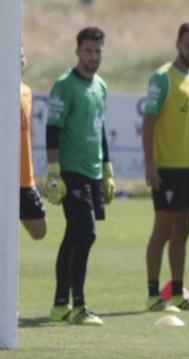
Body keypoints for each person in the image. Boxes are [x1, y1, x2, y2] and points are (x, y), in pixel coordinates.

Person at [142, 22, 189, 313]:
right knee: (162, 231)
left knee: (183, 231)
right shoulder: (162, 79)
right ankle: (151, 294)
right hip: (168, 168)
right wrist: (150, 164)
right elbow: (148, 123)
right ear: (177, 44)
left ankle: (176, 291)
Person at [44, 27, 114, 326]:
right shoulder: (65, 85)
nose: (93, 57)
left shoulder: (101, 86)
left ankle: (60, 304)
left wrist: (108, 170)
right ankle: (79, 305)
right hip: (72, 172)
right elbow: (52, 129)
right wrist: (54, 172)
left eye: (98, 51)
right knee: (86, 233)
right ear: (77, 52)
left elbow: (100, 130)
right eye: (88, 51)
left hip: (94, 172)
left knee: (74, 235)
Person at [20, 48, 47, 241]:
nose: (21, 60)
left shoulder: (26, 91)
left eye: (22, 56)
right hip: (5, 177)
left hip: (24, 177)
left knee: (39, 230)